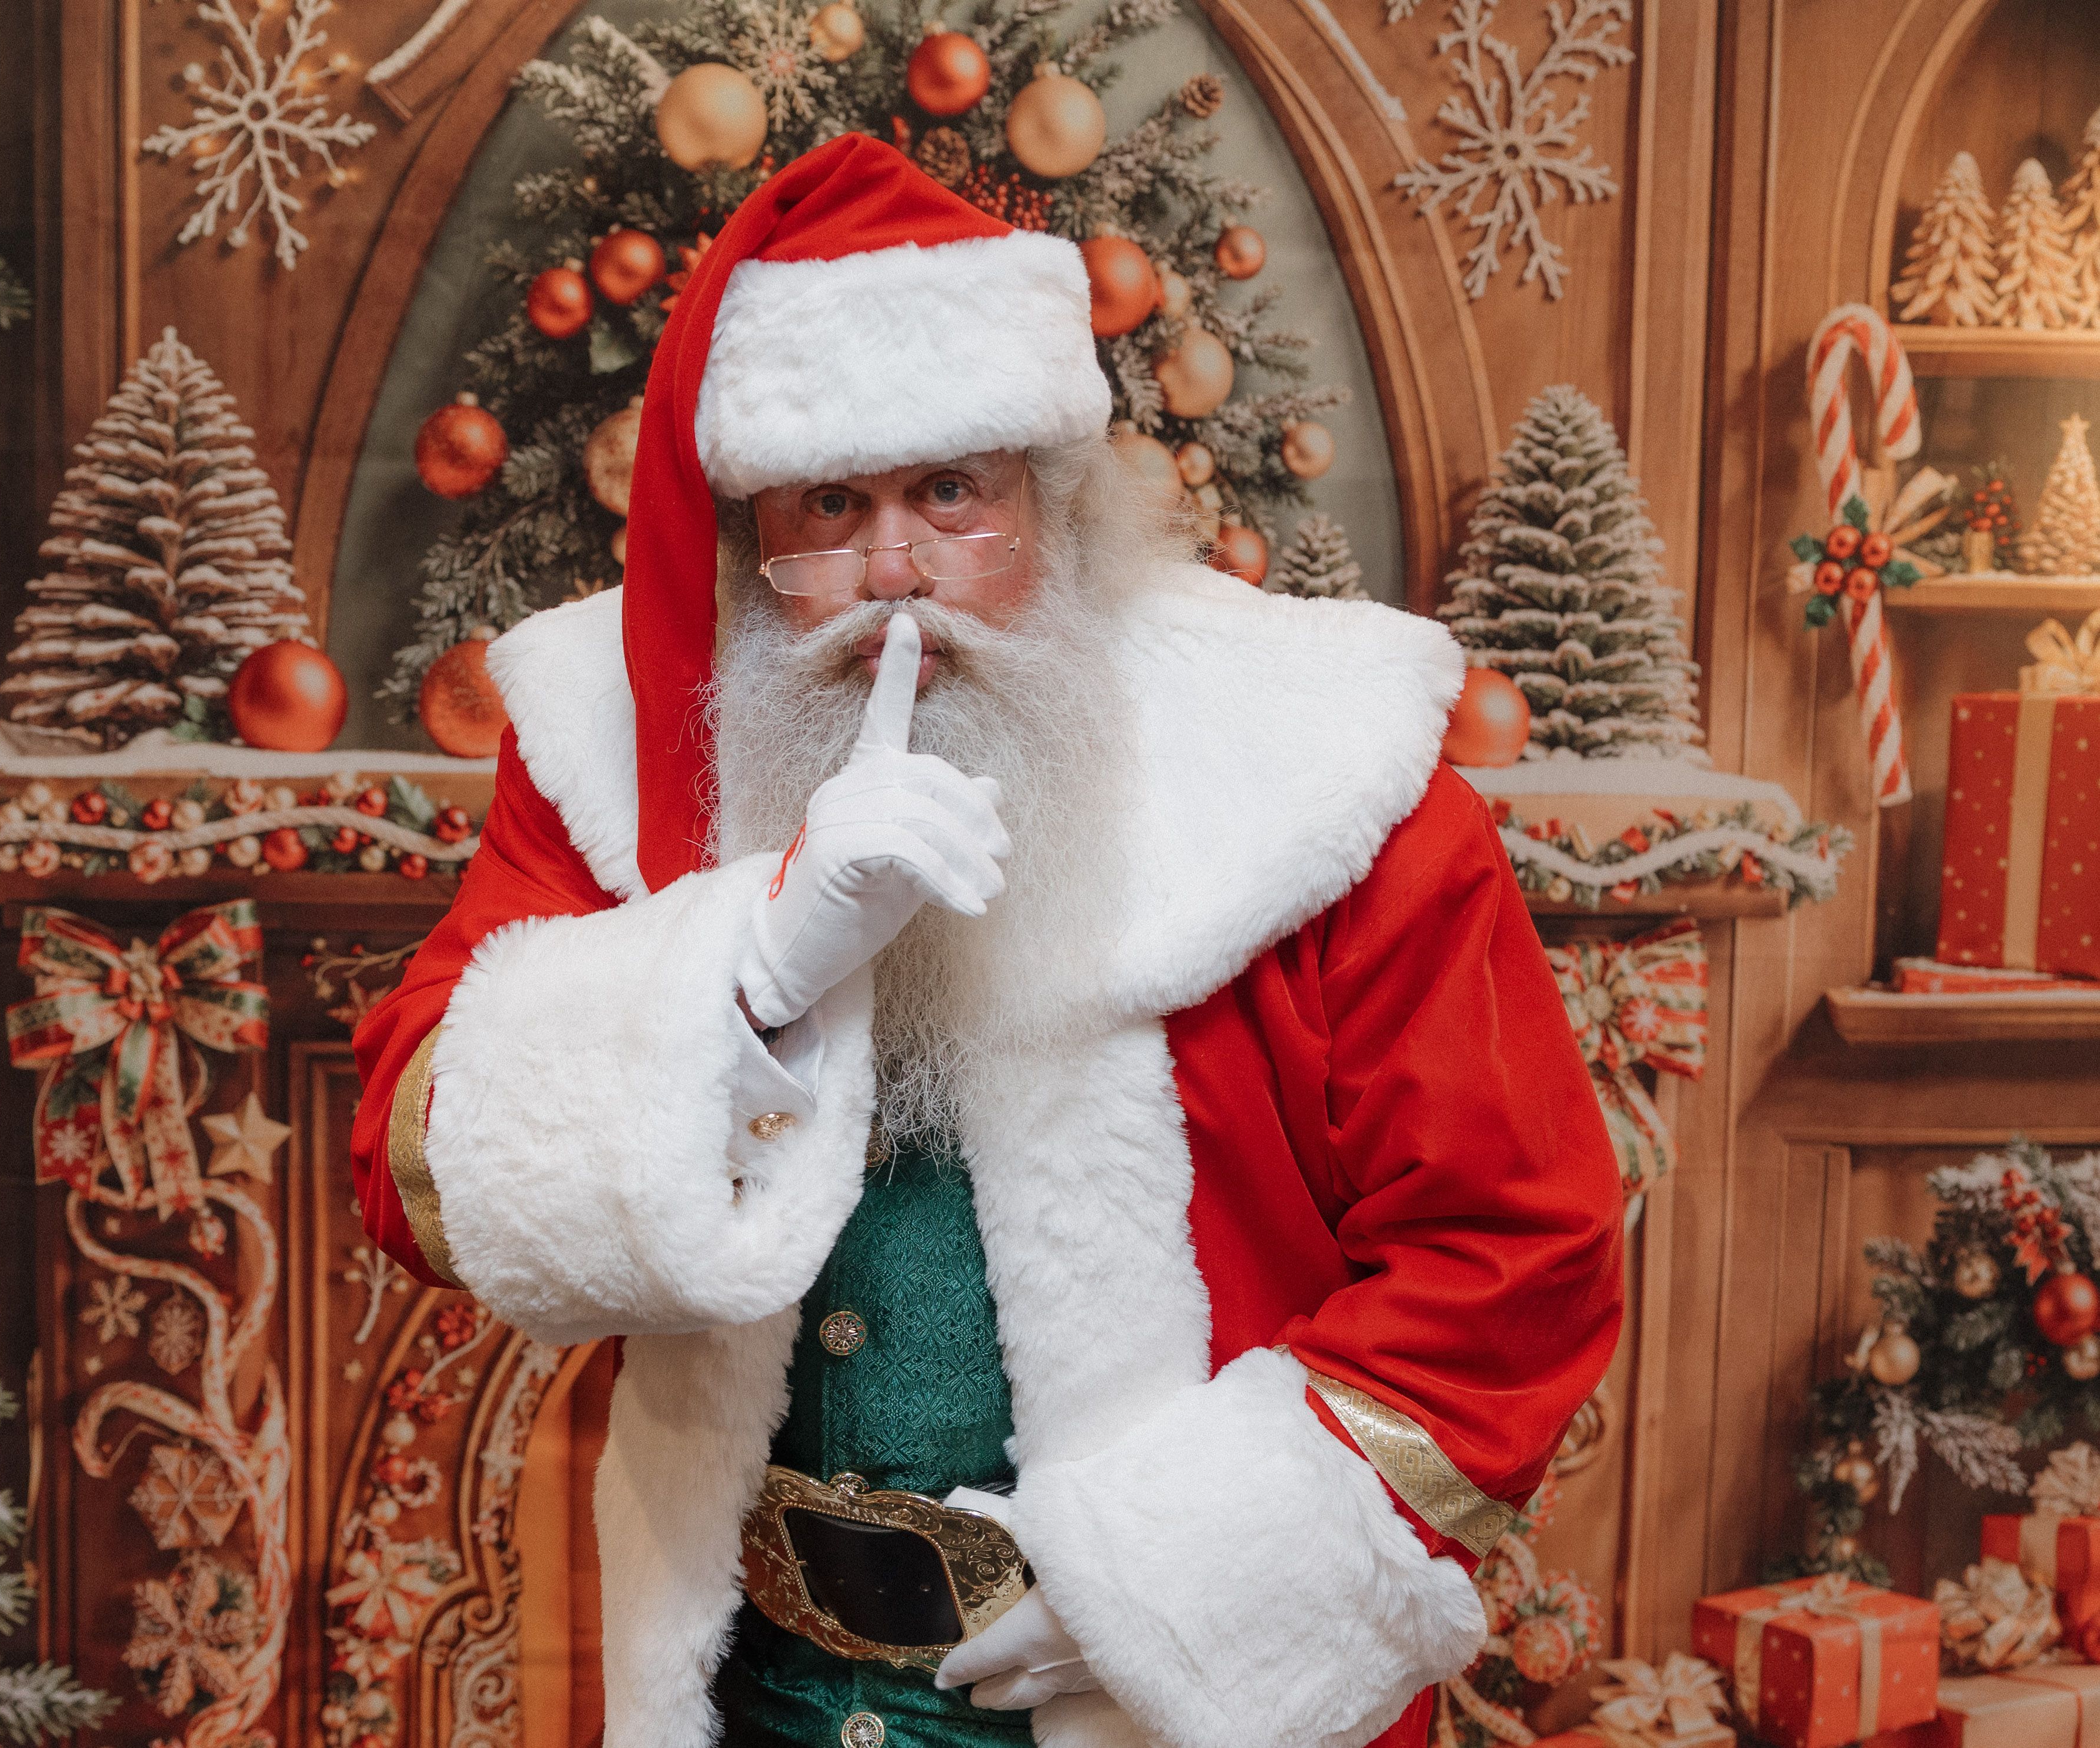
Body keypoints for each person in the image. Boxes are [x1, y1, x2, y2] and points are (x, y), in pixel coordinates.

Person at [352, 135, 1622, 1748]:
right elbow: (416, 1161)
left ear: (1054, 499)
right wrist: (746, 977)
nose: (895, 574)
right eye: (832, 505)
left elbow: (1515, 1260)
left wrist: (1175, 1593)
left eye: (951, 494)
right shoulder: (604, 740)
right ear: (751, 539)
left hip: (1136, 1694)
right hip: (755, 1688)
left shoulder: (1321, 766)